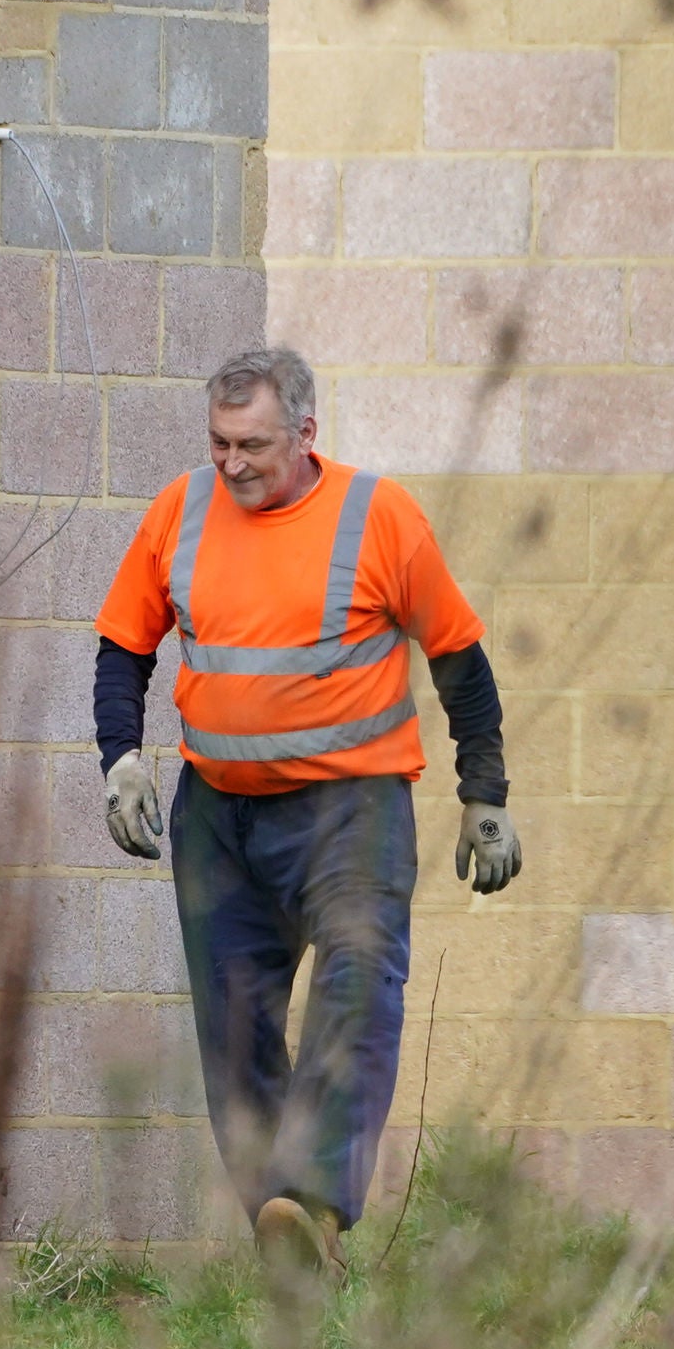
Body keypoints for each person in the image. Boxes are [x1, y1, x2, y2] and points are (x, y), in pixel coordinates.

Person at [91, 346, 522, 1282]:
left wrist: (483, 794)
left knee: (359, 985)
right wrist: (120, 756)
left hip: (351, 808)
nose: (234, 463)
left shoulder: (380, 517)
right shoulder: (181, 509)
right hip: (220, 815)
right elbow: (124, 642)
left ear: (307, 432)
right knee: (234, 1023)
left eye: (254, 444)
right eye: (219, 443)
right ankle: (287, 1231)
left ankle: (313, 1196)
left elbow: (461, 663)